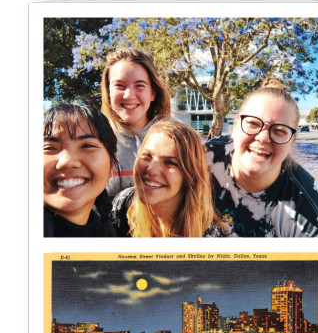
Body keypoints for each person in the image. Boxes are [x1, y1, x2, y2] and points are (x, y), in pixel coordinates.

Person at [206, 78, 318, 237]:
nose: (263, 138)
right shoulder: (203, 157)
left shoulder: (311, 215)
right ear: (235, 127)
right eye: (253, 124)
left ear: (292, 142)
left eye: (279, 130)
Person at [111, 121, 225, 237]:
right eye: (147, 156)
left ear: (190, 175)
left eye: (170, 162)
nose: (152, 170)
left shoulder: (210, 234)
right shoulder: (122, 205)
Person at [101, 47, 171, 198]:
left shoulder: (176, 137)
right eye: (119, 85)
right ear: (108, 92)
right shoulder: (95, 140)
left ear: (152, 93)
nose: (129, 95)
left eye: (139, 85)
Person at [43, 100, 118, 237]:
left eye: (87, 146)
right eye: (49, 148)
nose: (67, 162)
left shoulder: (107, 232)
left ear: (112, 164)